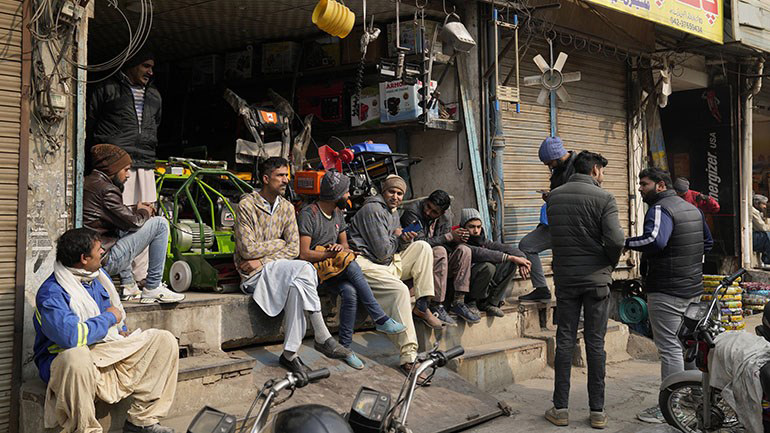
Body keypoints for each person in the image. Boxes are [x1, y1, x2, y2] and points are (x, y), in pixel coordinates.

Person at [33, 228, 179, 433]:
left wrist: (122, 331)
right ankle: (85, 429)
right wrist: (109, 318)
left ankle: (142, 421)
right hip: (67, 365)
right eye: (99, 249)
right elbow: (71, 337)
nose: (103, 251)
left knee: (163, 340)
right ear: (84, 258)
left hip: (103, 352)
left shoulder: (98, 278)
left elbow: (116, 319)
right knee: (77, 357)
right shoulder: (52, 293)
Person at [234, 157, 351, 374]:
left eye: (287, 175)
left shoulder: (287, 208)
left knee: (299, 283)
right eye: (281, 176)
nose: (286, 180)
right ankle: (322, 336)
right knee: (304, 269)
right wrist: (278, 245)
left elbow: (294, 250)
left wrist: (264, 258)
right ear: (266, 178)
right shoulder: (247, 205)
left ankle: (289, 355)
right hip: (253, 276)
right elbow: (247, 250)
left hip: (272, 269)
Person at [541, 151, 624, 429]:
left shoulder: (554, 197)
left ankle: (560, 409)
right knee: (595, 343)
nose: (603, 176)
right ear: (595, 170)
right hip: (597, 280)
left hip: (566, 279)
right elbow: (615, 240)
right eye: (602, 170)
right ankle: (597, 412)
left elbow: (556, 236)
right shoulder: (605, 198)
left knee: (564, 339)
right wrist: (608, 264)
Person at [625, 167, 713, 424]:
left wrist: (625, 242)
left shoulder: (661, 209)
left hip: (666, 290)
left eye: (644, 184)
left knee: (671, 348)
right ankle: (693, 400)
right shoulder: (692, 209)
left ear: (660, 186)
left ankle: (669, 405)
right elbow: (706, 243)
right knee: (687, 345)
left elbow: (656, 241)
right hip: (692, 289)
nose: (640, 188)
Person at [297, 171, 406, 370]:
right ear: (336, 194)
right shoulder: (309, 214)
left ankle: (345, 348)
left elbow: (345, 246)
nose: (349, 196)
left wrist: (339, 249)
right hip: (314, 270)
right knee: (352, 263)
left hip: (334, 267)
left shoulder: (338, 213)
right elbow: (304, 254)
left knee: (350, 291)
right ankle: (380, 317)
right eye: (346, 192)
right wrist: (331, 255)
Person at [347, 175, 439, 382]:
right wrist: (398, 237)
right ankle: (409, 357)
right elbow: (382, 252)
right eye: (391, 192)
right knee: (400, 291)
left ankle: (423, 305)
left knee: (423, 247)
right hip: (366, 263)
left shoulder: (393, 211)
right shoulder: (372, 210)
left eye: (399, 194)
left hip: (387, 262)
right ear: (383, 191)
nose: (395, 197)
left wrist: (404, 239)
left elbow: (391, 249)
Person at [87, 48, 161, 286]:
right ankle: (124, 278)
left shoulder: (155, 96)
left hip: (145, 162)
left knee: (148, 216)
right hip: (116, 165)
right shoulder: (107, 88)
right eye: (145, 66)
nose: (150, 71)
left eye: (151, 67)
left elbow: (155, 125)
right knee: (124, 219)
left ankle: (141, 278)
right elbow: (90, 122)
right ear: (131, 64)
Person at [82, 143, 183, 304]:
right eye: (125, 169)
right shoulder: (107, 189)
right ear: (113, 169)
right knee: (160, 224)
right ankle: (153, 286)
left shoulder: (89, 183)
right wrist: (144, 211)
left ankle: (128, 284)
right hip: (105, 259)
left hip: (93, 253)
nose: (128, 175)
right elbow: (135, 222)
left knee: (122, 229)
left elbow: (120, 217)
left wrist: (136, 209)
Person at [401, 190, 478, 324]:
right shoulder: (412, 213)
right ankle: (436, 304)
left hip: (438, 264)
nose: (428, 212)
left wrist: (458, 239)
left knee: (464, 250)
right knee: (439, 251)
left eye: (434, 212)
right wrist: (449, 237)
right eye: (428, 207)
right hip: (418, 262)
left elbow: (447, 242)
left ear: (442, 213)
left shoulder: (446, 216)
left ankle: (458, 302)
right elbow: (420, 244)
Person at [518, 136, 578, 302]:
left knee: (565, 268)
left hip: (570, 226)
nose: (548, 166)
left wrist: (554, 197)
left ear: (556, 156)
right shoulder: (559, 169)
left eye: (549, 162)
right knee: (527, 245)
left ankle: (576, 314)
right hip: (554, 222)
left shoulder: (578, 167)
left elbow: (578, 198)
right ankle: (542, 289)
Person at [458, 208, 531, 317]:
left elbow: (506, 248)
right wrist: (511, 257)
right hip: (467, 287)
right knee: (488, 266)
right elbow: (481, 253)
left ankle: (490, 303)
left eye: (478, 227)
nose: (476, 231)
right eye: (471, 227)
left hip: (483, 285)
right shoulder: (460, 243)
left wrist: (521, 260)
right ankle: (471, 302)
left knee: (511, 263)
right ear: (463, 227)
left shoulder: (482, 241)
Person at [752, 194, 770, 266]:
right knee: (767, 236)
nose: (765, 207)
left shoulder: (758, 212)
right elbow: (762, 228)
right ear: (757, 204)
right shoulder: (753, 212)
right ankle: (767, 261)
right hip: (752, 237)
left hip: (756, 235)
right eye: (763, 204)